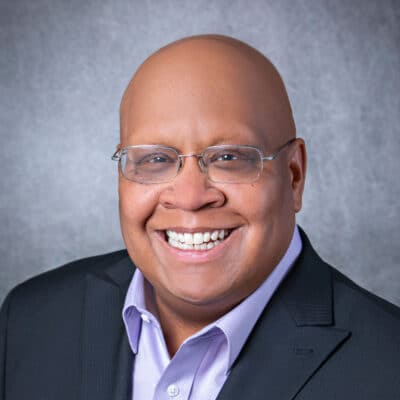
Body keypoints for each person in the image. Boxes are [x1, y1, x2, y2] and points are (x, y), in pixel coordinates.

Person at [1, 34, 399, 400]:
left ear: (293, 176)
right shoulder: (30, 320)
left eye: (229, 158)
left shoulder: (387, 364)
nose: (190, 198)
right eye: (156, 159)